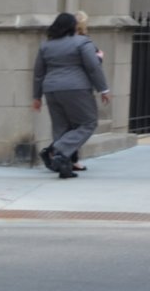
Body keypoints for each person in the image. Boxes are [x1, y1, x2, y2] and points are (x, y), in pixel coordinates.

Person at [32, 11, 108, 179]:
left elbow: (38, 73)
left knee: (61, 127)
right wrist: (103, 88)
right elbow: (93, 67)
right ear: (72, 27)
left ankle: (64, 167)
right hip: (76, 88)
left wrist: (36, 96)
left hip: (51, 90)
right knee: (88, 122)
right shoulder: (82, 42)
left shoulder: (46, 45)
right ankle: (55, 150)